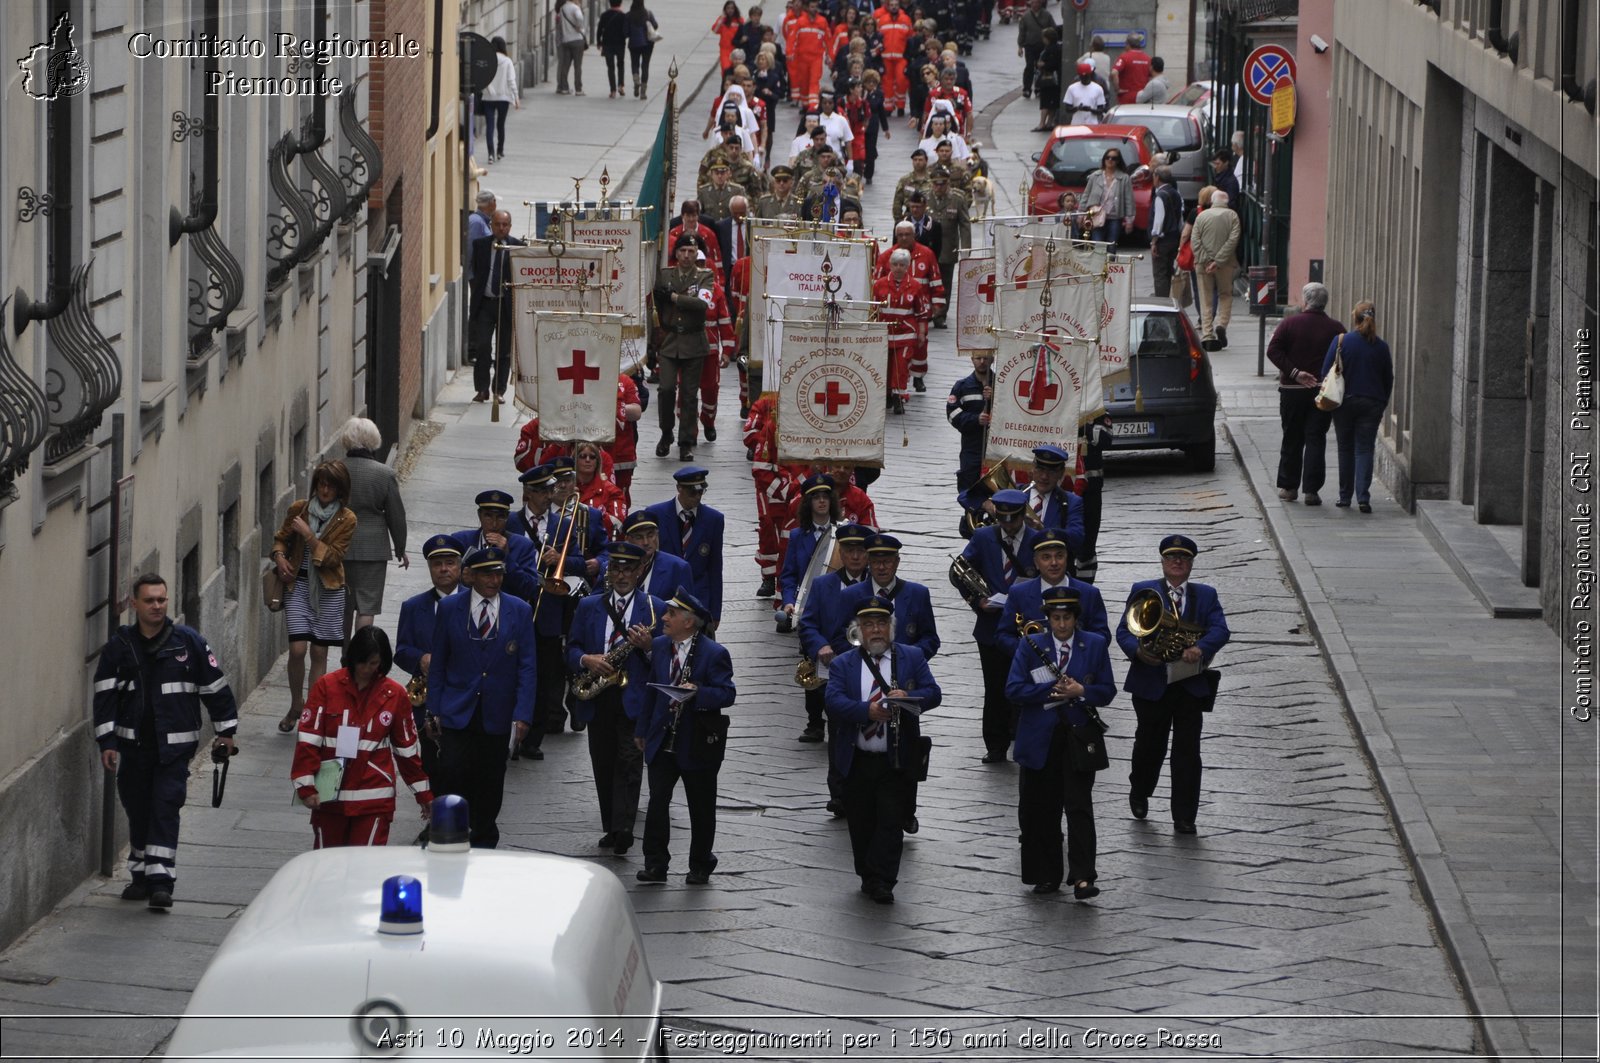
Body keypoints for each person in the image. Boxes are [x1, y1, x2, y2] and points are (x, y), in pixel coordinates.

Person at [93, 573, 237, 910]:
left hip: (174, 749)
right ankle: (141, 874)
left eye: (162, 599)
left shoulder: (188, 643)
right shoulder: (119, 648)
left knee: (164, 807)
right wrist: (107, 742)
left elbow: (215, 687)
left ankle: (161, 882)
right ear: (134, 604)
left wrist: (226, 731)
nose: (158, 606)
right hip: (133, 747)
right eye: (150, 600)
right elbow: (104, 699)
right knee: (138, 808)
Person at [824, 595, 942, 904]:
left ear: (891, 628)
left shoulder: (912, 657)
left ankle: (884, 880)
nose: (875, 630)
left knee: (891, 821)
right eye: (868, 625)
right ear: (858, 631)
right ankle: (867, 873)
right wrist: (866, 712)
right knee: (862, 821)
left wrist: (910, 697)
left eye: (881, 624)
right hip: (858, 757)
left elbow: (934, 694)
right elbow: (833, 702)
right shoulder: (843, 663)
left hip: (896, 758)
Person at [1004, 585, 1116, 898]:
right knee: (1041, 807)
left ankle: (1083, 876)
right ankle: (1046, 874)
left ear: (1075, 618)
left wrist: (1082, 692)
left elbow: (1107, 690)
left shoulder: (1092, 644)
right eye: (1056, 617)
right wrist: (1052, 692)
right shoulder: (1030, 644)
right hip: (1040, 736)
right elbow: (1013, 689)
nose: (1062, 624)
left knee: (1079, 807)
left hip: (1077, 735)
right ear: (1048, 619)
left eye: (1067, 617)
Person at [1115, 535, 1230, 834]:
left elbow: (1220, 629)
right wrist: (1138, 651)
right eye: (1171, 557)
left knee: (1187, 752)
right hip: (1151, 682)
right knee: (1149, 746)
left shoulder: (1206, 595)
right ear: (1163, 562)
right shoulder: (1143, 590)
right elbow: (1125, 630)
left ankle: (1184, 815)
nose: (1177, 562)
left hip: (1189, 684)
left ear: (1191, 564)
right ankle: (1139, 790)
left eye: (1183, 558)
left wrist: (1201, 648)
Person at [426, 546, 538, 848]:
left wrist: (523, 714)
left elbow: (527, 667)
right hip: (456, 708)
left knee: (491, 778)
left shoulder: (520, 610)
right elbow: (439, 663)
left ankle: (485, 836)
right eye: (487, 573)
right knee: (451, 770)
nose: (494, 580)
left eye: (499, 573)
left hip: (497, 712)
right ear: (471, 575)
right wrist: (433, 708)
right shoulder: (451, 609)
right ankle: (450, 830)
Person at [292, 626, 432, 848]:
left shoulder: (395, 695)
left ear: (383, 662)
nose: (366, 669)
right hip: (331, 797)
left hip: (374, 797)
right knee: (329, 868)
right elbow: (309, 738)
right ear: (352, 658)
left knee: (364, 869)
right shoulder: (326, 687)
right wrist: (305, 786)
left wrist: (423, 794)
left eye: (374, 663)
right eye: (362, 662)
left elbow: (406, 749)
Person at [567, 542, 665, 856]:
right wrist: (587, 660)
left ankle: (624, 828)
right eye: (617, 568)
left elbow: (667, 657)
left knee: (629, 761)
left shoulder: (655, 608)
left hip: (633, 695)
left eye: (629, 569)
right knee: (603, 761)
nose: (622, 575)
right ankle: (611, 825)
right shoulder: (588, 606)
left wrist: (649, 646)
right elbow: (571, 648)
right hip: (599, 694)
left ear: (639, 571)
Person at [839, 532, 940, 834]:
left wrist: (911, 658)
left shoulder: (917, 593)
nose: (882, 568)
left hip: (904, 685)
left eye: (887, 561)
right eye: (876, 561)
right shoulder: (850, 596)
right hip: (866, 678)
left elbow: (930, 637)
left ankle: (906, 808)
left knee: (907, 744)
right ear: (869, 563)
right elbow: (840, 636)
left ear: (897, 562)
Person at [634, 590, 737, 884]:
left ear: (689, 622)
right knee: (657, 802)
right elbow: (650, 692)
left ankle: (701, 863)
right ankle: (655, 864)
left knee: (701, 806)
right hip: (663, 737)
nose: (664, 619)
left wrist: (697, 693)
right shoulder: (660, 646)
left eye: (671, 614)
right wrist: (643, 729)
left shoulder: (714, 653)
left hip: (696, 741)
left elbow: (727, 693)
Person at [272, 460, 357, 733]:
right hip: (297, 586)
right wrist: (279, 557)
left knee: (319, 651)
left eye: (330, 485)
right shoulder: (299, 508)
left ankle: (311, 709)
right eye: (321, 483)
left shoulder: (347, 519)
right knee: (297, 649)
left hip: (328, 590)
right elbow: (281, 538)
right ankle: (296, 703)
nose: (324, 489)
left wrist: (309, 537)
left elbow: (333, 557)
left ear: (340, 489)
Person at [957, 489, 1040, 762]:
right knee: (994, 687)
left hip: (1027, 626)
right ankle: (995, 744)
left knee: (1029, 682)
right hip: (991, 625)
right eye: (1002, 520)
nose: (1007, 526)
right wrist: (976, 600)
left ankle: (1023, 733)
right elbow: (959, 571)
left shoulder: (1037, 540)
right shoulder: (984, 537)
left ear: (1022, 516)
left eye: (1013, 520)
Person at [796, 521, 872, 765]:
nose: (856, 556)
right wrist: (821, 646)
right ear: (841, 553)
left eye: (861, 551)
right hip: (832, 660)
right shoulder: (822, 584)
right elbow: (807, 623)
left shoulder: (875, 585)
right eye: (850, 550)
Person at [1266, 283, 1347, 505]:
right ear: (1325, 302)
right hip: (1323, 392)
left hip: (1292, 391)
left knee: (1292, 437)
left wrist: (1295, 372)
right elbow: (1344, 357)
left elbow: (1273, 350)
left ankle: (1289, 487)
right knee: (1316, 438)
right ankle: (1312, 491)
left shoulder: (1289, 324)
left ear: (1305, 300)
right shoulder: (1336, 328)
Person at [394, 534, 465, 780]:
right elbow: (401, 651)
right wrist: (421, 658)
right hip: (426, 700)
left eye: (450, 562)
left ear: (460, 566)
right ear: (430, 568)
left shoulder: (476, 602)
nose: (444, 569)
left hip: (464, 696)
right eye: (437, 564)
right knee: (431, 764)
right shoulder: (413, 607)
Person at [338, 416, 409, 638]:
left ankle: (345, 655)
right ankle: (360, 655)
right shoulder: (384, 474)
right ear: (373, 440)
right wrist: (400, 548)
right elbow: (396, 515)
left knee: (345, 605)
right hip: (373, 548)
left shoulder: (336, 470)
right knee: (367, 606)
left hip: (341, 544)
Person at [1321, 301, 1394, 513]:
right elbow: (1387, 378)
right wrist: (1382, 403)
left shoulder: (1341, 341)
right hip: (1372, 402)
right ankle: (1363, 497)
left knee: (1345, 448)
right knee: (1364, 449)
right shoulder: (1381, 347)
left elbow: (1325, 371)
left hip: (1344, 402)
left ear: (1355, 318)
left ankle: (1345, 497)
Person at [654, 235, 718, 462]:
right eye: (683, 251)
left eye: (692, 251)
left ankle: (686, 441)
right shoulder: (664, 274)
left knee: (690, 395)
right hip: (670, 341)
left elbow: (702, 304)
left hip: (693, 341)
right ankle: (666, 432)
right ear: (676, 253)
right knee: (666, 390)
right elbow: (655, 309)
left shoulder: (705, 276)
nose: (687, 256)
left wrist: (673, 296)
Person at [645, 466, 725, 626]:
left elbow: (715, 567)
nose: (697, 497)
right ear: (679, 488)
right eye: (692, 492)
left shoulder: (713, 519)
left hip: (698, 599)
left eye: (701, 492)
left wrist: (715, 612)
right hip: (664, 597)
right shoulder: (656, 514)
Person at [468, 209, 526, 402]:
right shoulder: (481, 245)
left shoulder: (518, 247)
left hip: (506, 305)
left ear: (510, 226)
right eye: (498, 224)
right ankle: (482, 388)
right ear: (491, 225)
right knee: (483, 346)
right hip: (485, 304)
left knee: (504, 350)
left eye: (505, 225)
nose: (501, 228)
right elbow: (476, 271)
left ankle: (498, 391)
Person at [872, 246, 932, 412]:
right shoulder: (879, 285)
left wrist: (921, 333)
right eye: (895, 264)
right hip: (884, 333)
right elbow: (873, 311)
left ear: (907, 267)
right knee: (886, 366)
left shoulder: (915, 286)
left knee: (901, 366)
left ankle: (899, 397)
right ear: (890, 265)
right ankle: (887, 395)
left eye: (902, 265)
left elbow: (921, 313)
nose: (899, 268)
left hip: (906, 334)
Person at [777, 473, 839, 633]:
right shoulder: (797, 535)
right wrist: (789, 602)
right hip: (806, 606)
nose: (822, 501)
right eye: (816, 497)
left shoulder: (842, 533)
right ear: (808, 503)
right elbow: (789, 575)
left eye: (826, 496)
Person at [1191, 189, 1240, 350]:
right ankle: (1222, 324)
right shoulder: (1233, 216)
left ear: (1212, 201)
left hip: (1203, 264)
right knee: (1225, 294)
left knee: (1206, 298)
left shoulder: (1201, 216)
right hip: (1225, 264)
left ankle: (1207, 334)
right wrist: (1218, 261)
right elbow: (1233, 240)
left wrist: (1206, 260)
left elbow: (1195, 241)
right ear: (1226, 202)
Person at [1021, 444, 1084, 559]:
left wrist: (1042, 530)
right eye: (1040, 469)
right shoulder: (1016, 493)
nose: (1044, 477)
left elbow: (1077, 538)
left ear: (1061, 473)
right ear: (1032, 468)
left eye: (1052, 472)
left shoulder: (1071, 502)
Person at [622, 510, 695, 603]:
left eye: (650, 535)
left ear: (657, 535)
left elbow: (687, 611)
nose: (646, 542)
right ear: (627, 540)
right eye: (639, 537)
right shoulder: (611, 567)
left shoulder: (678, 568)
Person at [946, 352, 994, 491]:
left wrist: (994, 398)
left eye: (986, 358)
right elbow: (952, 414)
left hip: (995, 448)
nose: (982, 361)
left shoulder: (1001, 384)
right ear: (972, 359)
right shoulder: (962, 386)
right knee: (969, 486)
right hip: (971, 447)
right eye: (978, 358)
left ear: (992, 359)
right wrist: (975, 419)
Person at [1081, 146, 1133, 246]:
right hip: (1097, 215)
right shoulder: (1095, 176)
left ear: (1118, 161)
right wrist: (1081, 213)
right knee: (1097, 244)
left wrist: (1129, 221)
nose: (1110, 160)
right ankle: (1098, 262)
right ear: (1104, 159)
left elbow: (1129, 200)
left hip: (1115, 217)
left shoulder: (1124, 178)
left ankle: (1110, 262)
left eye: (1114, 158)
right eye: (1108, 157)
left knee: (1111, 245)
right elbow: (1086, 195)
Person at [479, 37, 520, 161]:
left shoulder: (488, 60)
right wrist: (516, 97)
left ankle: (490, 153)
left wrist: (489, 90)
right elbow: (511, 81)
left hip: (488, 98)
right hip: (503, 98)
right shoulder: (507, 61)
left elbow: (483, 78)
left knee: (489, 125)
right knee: (500, 125)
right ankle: (500, 150)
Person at [1149, 164, 1184, 298]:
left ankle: (1161, 300)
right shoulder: (1176, 193)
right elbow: (1180, 216)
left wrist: (1154, 241)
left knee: (1160, 273)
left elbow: (1158, 220)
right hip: (1174, 238)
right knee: (1168, 270)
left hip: (1163, 240)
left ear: (1157, 177)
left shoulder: (1160, 196)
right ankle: (1167, 296)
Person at [1015, 0, 1054, 100]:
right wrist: (1020, 46)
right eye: (1034, 2)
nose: (1036, 5)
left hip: (1043, 46)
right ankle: (1027, 88)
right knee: (1029, 67)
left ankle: (1039, 87)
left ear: (1041, 3)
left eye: (1037, 2)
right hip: (1030, 46)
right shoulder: (1026, 16)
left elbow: (1053, 29)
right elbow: (1022, 31)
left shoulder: (1047, 15)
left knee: (1040, 67)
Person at [598, 0, 631, 98]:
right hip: (620, 44)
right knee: (620, 64)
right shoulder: (623, 16)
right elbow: (626, 31)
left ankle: (612, 90)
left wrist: (599, 42)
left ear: (609, 3)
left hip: (607, 44)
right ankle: (621, 85)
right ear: (620, 3)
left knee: (610, 67)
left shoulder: (604, 15)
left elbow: (599, 29)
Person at [626, 0, 659, 97]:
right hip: (648, 44)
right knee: (645, 65)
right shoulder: (648, 13)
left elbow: (626, 32)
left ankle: (636, 80)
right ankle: (643, 92)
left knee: (635, 63)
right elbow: (655, 25)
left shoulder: (628, 15)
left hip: (634, 44)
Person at [1032, 28, 1062, 131]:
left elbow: (1051, 64)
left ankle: (1042, 123)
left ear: (1047, 39)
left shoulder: (1049, 49)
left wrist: (1042, 64)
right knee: (1053, 103)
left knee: (1045, 102)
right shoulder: (1059, 48)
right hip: (1057, 80)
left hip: (1048, 79)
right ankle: (1049, 123)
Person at [1110, 30, 1151, 104]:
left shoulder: (1124, 57)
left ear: (1128, 45)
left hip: (1127, 97)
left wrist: (1117, 89)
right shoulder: (1148, 59)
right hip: (1143, 97)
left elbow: (1114, 73)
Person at [556, 0, 588, 95]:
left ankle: (564, 88)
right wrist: (579, 26)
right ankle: (578, 89)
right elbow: (579, 18)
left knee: (565, 66)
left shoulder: (562, 9)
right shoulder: (575, 8)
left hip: (566, 40)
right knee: (577, 66)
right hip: (577, 40)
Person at [1063, 60, 1106, 125]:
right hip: (1076, 124)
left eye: (1086, 76)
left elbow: (1101, 110)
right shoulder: (1072, 88)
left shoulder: (1098, 89)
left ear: (1090, 74)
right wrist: (1077, 108)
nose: (1084, 78)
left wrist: (1090, 109)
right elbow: (1067, 109)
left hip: (1092, 124)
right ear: (1079, 76)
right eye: (1082, 76)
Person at [713, 2, 744, 72]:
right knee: (725, 68)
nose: (730, 10)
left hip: (735, 49)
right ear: (725, 10)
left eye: (732, 8)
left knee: (736, 70)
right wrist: (721, 20)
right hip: (724, 50)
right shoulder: (722, 20)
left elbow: (743, 32)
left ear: (735, 9)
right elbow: (715, 30)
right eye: (728, 8)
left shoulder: (739, 20)